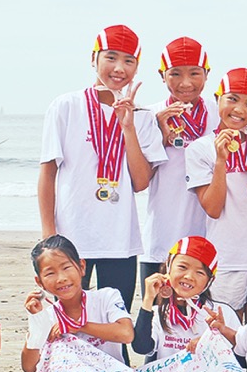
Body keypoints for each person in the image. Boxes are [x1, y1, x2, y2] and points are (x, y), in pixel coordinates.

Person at [38, 24, 167, 319]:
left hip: (120, 240)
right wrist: (48, 236)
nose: (119, 68)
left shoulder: (143, 117)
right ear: (93, 59)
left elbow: (141, 182)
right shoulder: (65, 106)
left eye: (128, 61)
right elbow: (48, 173)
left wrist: (128, 127)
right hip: (70, 238)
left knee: (116, 323)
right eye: (111, 57)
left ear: (137, 67)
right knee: (68, 322)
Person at [185, 68, 247, 323]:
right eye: (232, 99)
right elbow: (213, 208)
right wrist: (220, 161)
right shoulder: (200, 148)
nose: (239, 109)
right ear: (218, 98)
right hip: (226, 259)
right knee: (226, 337)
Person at [139, 36, 215, 285]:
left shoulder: (220, 114)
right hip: (161, 239)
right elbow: (139, 181)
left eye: (194, 73)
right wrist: (160, 138)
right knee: (156, 308)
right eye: (175, 74)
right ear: (162, 75)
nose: (186, 83)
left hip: (209, 239)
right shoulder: (148, 115)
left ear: (207, 74)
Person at [22, 235, 135, 372]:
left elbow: (126, 334)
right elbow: (29, 367)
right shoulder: (48, 316)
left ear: (81, 267)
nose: (61, 278)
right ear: (40, 282)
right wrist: (37, 324)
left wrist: (77, 326)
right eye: (50, 273)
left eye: (66, 267)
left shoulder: (106, 297)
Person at [131, 236, 240, 362]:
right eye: (182, 267)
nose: (189, 276)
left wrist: (215, 340)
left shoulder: (222, 313)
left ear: (210, 280)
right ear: (169, 266)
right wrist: (148, 300)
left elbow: (242, 356)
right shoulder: (158, 313)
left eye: (200, 272)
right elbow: (140, 348)